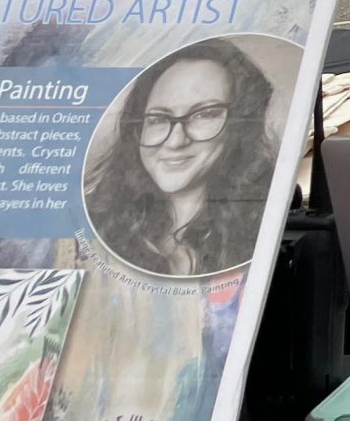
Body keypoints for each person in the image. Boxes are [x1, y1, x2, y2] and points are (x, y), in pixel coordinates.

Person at [83, 39, 281, 277]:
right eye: (158, 119)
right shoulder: (93, 228)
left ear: (241, 125)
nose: (176, 140)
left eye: (204, 115)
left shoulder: (268, 224)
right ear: (136, 129)